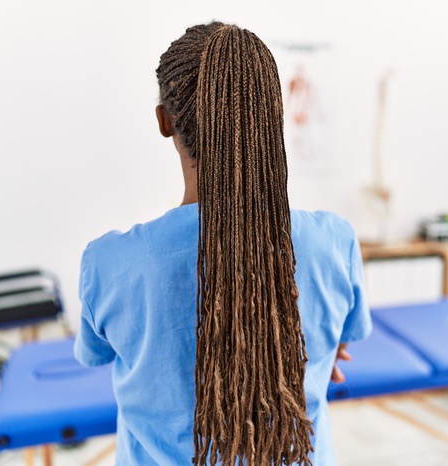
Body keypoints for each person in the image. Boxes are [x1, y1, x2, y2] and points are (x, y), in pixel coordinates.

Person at [74, 22, 371, 466]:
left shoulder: (110, 264)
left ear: (164, 121)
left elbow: (96, 354)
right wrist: (312, 349)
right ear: (273, 114)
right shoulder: (335, 242)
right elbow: (341, 342)